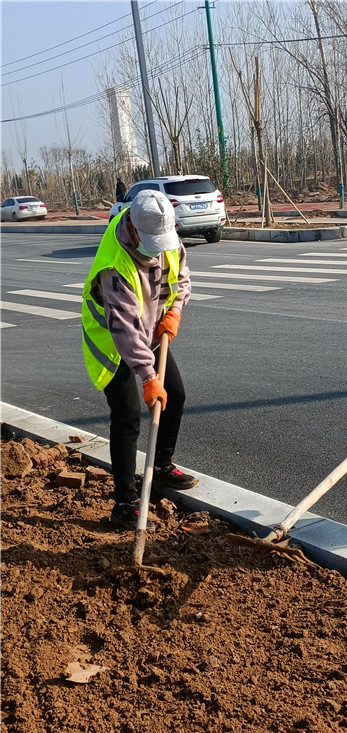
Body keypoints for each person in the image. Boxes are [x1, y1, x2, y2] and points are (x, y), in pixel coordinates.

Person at [82, 189, 197, 531]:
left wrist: (174, 311)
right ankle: (125, 502)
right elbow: (125, 330)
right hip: (113, 341)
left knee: (175, 395)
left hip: (151, 329)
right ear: (132, 228)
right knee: (128, 415)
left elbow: (182, 278)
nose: (157, 249)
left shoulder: (165, 235)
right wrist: (148, 377)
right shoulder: (115, 267)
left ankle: (161, 467)